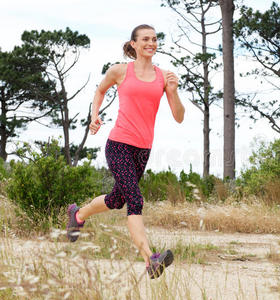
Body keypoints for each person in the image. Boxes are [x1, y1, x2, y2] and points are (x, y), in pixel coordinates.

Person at [66, 24, 185, 279]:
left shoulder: (164, 76)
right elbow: (99, 91)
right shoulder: (120, 71)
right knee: (135, 200)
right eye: (145, 39)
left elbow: (179, 117)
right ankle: (150, 259)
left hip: (143, 149)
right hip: (119, 144)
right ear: (133, 44)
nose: (151, 43)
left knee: (116, 200)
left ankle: (78, 214)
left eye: (154, 39)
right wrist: (94, 116)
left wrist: (173, 93)